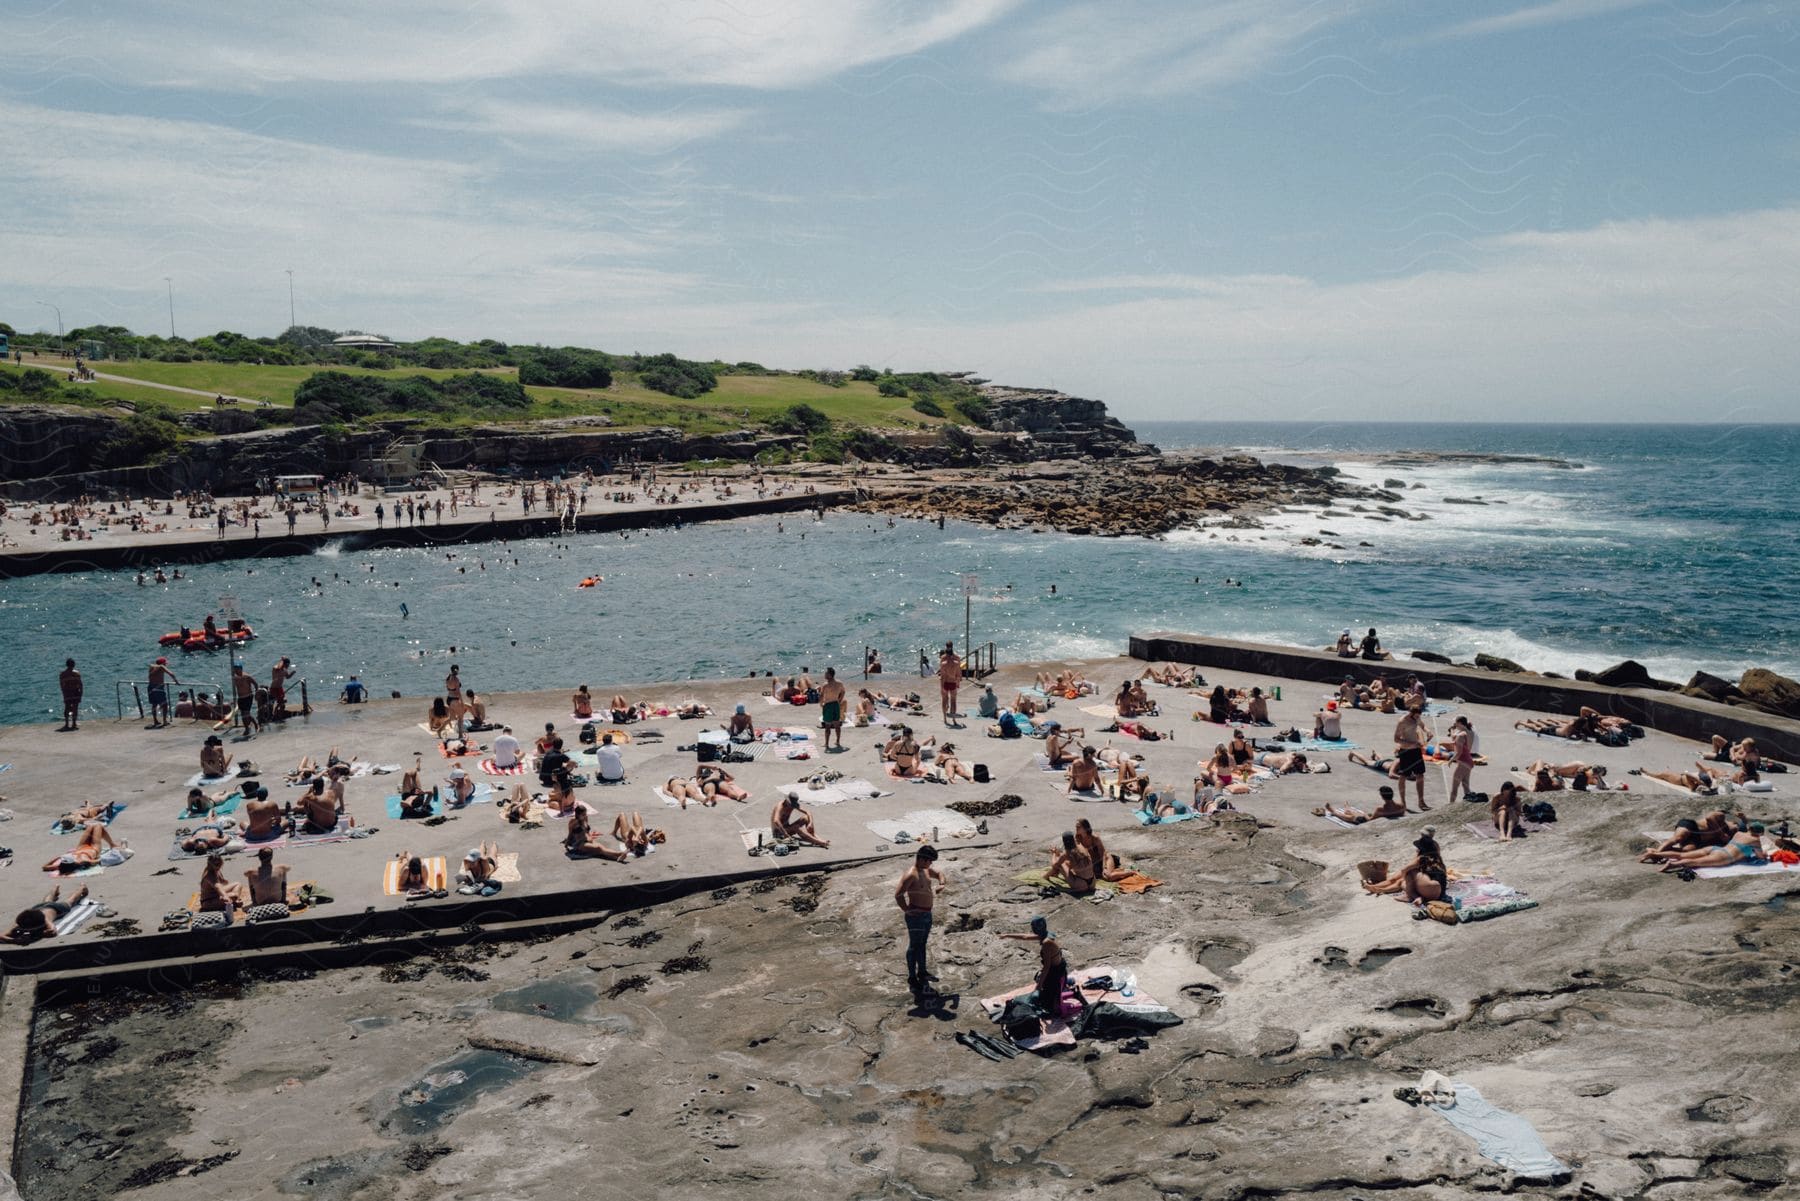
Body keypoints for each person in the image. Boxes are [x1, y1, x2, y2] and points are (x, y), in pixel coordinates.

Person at [895, 845, 945, 997]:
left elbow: (940, 873)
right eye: (929, 861)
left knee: (922, 944)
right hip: (915, 916)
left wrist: (942, 884)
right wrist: (907, 910)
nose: (931, 865)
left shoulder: (925, 870)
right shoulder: (911, 874)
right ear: (922, 859)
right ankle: (912, 976)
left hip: (926, 914)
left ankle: (922, 972)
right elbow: (898, 894)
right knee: (914, 946)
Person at [1000, 916, 1073, 1018]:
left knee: (1050, 1007)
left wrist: (1038, 986)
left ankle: (1061, 991)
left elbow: (1047, 967)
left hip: (1056, 973)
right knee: (1042, 991)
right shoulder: (1046, 934)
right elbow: (1025, 937)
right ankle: (1063, 987)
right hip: (1057, 968)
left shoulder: (1046, 943)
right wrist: (1007, 935)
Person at [1362, 830, 1447, 905]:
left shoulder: (1422, 857)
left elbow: (1404, 869)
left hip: (1429, 887)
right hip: (1439, 894)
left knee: (1405, 874)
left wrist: (1406, 877)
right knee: (1400, 882)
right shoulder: (1436, 855)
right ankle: (1377, 888)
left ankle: (1407, 896)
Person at [1656, 824, 1769, 872]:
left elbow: (1740, 847)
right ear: (1759, 833)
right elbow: (1760, 856)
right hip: (1725, 857)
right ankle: (1673, 864)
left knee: (1681, 855)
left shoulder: (1739, 833)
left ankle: (1654, 853)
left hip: (1716, 849)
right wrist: (1765, 855)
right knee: (1695, 862)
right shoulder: (1755, 841)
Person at [2, 885, 89, 945]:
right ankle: (55, 889)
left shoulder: (46, 920)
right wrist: (15, 941)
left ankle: (82, 888)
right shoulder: (20, 924)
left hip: (55, 908)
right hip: (38, 908)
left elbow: (53, 932)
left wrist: (39, 934)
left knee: (70, 901)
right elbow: (1, 936)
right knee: (46, 901)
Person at [1392, 704, 1431, 811]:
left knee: (1420, 774)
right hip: (1406, 751)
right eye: (1416, 715)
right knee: (1403, 776)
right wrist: (1411, 744)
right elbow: (1396, 739)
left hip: (1416, 750)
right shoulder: (1402, 721)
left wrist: (1428, 731)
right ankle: (1403, 802)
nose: (1418, 717)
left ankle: (1421, 801)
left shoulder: (1417, 717)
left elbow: (1422, 725)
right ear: (1411, 713)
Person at [43, 822, 121, 873]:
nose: (63, 859)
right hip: (94, 848)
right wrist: (96, 859)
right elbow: (99, 860)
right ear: (71, 862)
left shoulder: (62, 865)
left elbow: (45, 867)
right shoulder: (84, 861)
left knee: (91, 826)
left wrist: (58, 857)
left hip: (81, 847)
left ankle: (111, 843)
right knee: (98, 826)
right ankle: (112, 844)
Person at [1073, 817, 1132, 883]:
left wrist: (1104, 867)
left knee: (1108, 877)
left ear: (1085, 828)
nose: (1076, 828)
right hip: (1094, 863)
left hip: (1104, 858)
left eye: (1078, 826)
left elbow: (1103, 853)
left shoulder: (1094, 838)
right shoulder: (1078, 838)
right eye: (1076, 826)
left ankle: (1130, 872)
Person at [1316, 784, 1407, 824]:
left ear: (1382, 797)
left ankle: (1333, 811)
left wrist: (1366, 815)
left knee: (1351, 817)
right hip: (1381, 819)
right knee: (1354, 813)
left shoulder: (1380, 808)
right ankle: (1347, 807)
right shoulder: (1401, 805)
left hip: (1366, 821)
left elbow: (1370, 821)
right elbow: (1402, 814)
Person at [1045, 830, 1096, 895]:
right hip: (1092, 883)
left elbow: (1055, 865)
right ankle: (1054, 874)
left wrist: (1054, 854)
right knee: (1066, 862)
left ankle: (1045, 877)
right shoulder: (1081, 847)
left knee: (1060, 864)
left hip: (1081, 885)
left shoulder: (1067, 853)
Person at [1446, 716, 1476, 803]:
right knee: (1466, 786)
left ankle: (1450, 806)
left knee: (1454, 787)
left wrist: (1451, 760)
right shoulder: (1470, 732)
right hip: (1469, 762)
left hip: (1463, 763)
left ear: (1459, 723)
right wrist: (1452, 730)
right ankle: (1470, 804)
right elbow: (1454, 737)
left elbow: (1458, 753)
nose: (1454, 724)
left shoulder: (1461, 735)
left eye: (1455, 722)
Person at [147, 656, 180, 727]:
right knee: (164, 705)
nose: (166, 665)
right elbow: (171, 674)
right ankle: (164, 721)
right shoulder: (161, 667)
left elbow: (151, 675)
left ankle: (155, 721)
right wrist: (176, 681)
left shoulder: (151, 666)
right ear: (163, 663)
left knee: (154, 704)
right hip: (158, 687)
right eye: (165, 664)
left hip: (150, 687)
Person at [819, 667, 846, 751]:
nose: (825, 675)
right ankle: (837, 741)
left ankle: (827, 743)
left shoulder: (825, 685)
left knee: (827, 726)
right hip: (836, 704)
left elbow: (821, 695)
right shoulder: (839, 683)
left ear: (830, 675)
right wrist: (840, 700)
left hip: (828, 705)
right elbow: (843, 691)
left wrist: (821, 704)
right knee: (837, 724)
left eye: (826, 673)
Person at [231, 662, 259, 737]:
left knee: (246, 713)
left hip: (248, 697)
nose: (236, 671)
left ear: (241, 669)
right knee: (243, 715)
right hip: (240, 698)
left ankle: (256, 724)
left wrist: (256, 694)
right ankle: (247, 728)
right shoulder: (235, 677)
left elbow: (255, 684)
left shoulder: (247, 676)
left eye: (237, 669)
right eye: (235, 670)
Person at [938, 642, 962, 724]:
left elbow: (942, 675)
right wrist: (958, 683)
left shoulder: (943, 658)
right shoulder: (957, 658)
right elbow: (958, 674)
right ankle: (954, 719)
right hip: (953, 682)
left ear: (946, 647)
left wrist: (941, 686)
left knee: (944, 700)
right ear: (952, 647)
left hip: (945, 682)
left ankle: (945, 718)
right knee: (953, 701)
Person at [59, 658, 82, 731]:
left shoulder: (62, 674)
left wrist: (64, 693)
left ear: (66, 665)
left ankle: (66, 724)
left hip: (67, 692)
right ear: (74, 665)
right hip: (75, 692)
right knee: (75, 708)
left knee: (67, 708)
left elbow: (62, 685)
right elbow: (80, 685)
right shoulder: (77, 673)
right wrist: (81, 693)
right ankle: (74, 723)